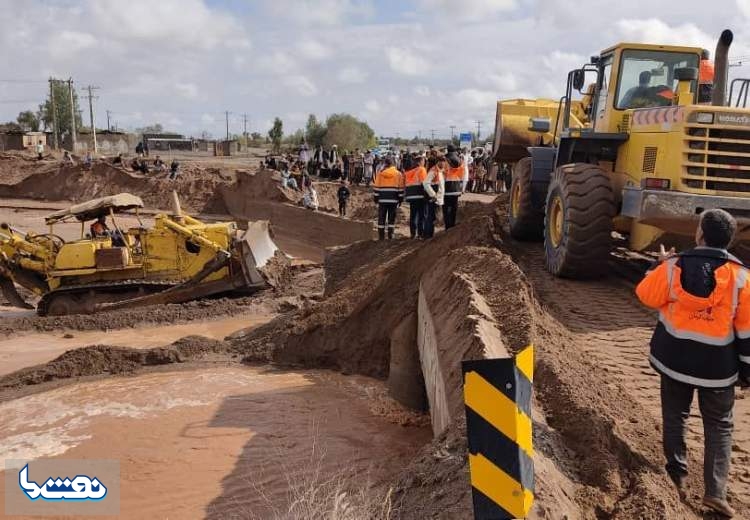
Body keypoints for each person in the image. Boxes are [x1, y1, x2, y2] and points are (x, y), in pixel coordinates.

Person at [636, 209, 750, 518]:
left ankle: (677, 474)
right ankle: (715, 493)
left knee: (676, 415)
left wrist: (658, 266)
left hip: (674, 360)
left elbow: (645, 295)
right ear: (730, 239)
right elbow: (747, 330)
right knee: (720, 426)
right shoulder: (741, 276)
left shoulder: (674, 267)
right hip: (718, 368)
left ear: (699, 234)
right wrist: (746, 370)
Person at [372, 156, 403, 240]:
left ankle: (381, 236)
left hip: (382, 199)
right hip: (393, 200)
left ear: (385, 164)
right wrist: (400, 200)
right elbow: (400, 189)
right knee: (391, 217)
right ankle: (390, 235)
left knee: (381, 217)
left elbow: (376, 188)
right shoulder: (398, 174)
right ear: (393, 164)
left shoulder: (380, 173)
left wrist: (376, 198)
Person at [404, 154, 428, 239]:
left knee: (413, 215)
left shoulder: (409, 171)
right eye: (424, 161)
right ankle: (420, 234)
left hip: (411, 196)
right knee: (422, 215)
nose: (424, 163)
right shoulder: (421, 169)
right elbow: (424, 183)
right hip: (420, 195)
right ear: (421, 162)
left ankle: (412, 234)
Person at [443, 146, 466, 229]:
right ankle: (452, 225)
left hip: (446, 187)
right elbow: (462, 175)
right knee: (454, 207)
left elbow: (442, 173)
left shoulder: (444, 159)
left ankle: (447, 226)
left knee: (446, 208)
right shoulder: (460, 160)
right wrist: (461, 188)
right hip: (456, 188)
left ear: (447, 150)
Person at [423, 156, 445, 238]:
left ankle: (429, 235)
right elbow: (425, 183)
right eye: (441, 161)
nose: (443, 163)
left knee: (433, 218)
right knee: (430, 217)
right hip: (434, 198)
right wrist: (433, 195)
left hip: (437, 198)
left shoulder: (439, 171)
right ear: (438, 162)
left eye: (444, 161)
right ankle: (428, 235)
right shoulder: (433, 171)